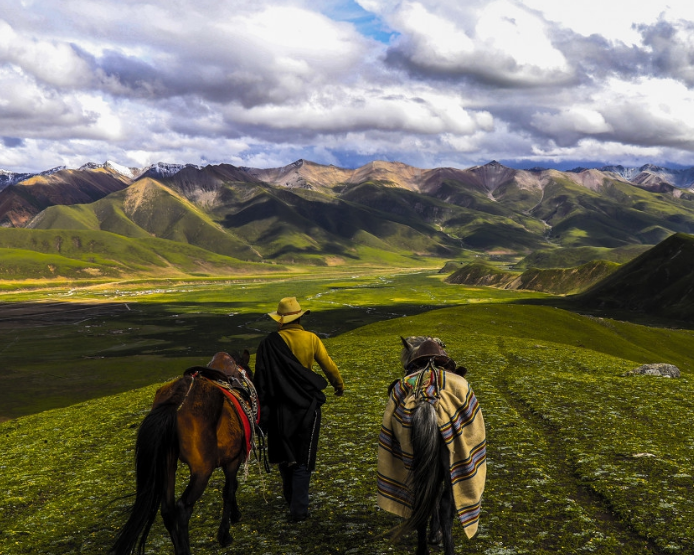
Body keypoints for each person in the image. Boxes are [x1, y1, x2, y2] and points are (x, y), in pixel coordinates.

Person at [254, 296, 344, 522]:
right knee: (303, 457)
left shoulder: (268, 343)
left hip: (278, 408)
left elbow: (261, 380)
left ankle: (290, 498)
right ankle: (299, 510)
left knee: (285, 455)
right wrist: (338, 385)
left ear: (281, 321)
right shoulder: (311, 339)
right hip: (307, 406)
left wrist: (261, 412)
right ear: (300, 317)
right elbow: (328, 366)